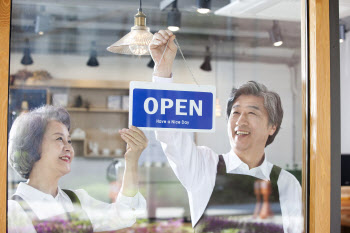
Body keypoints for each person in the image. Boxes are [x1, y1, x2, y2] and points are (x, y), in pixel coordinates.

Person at [149, 30, 302, 233]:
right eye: (235, 112)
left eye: (252, 113)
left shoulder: (286, 183)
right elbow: (168, 132)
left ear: (272, 127)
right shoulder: (204, 166)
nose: (240, 121)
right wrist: (163, 66)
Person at [7, 105, 148, 233]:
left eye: (69, 140)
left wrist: (132, 160)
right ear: (32, 146)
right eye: (59, 139)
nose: (68, 147)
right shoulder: (13, 210)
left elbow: (124, 214)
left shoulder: (76, 200)